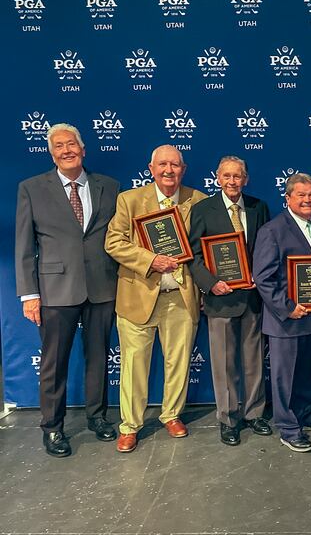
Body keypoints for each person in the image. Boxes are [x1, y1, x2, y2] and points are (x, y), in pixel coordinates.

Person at [15, 123, 120, 457]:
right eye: (58, 146)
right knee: (53, 362)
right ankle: (53, 428)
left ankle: (98, 417)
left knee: (99, 358)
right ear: (51, 152)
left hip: (102, 287)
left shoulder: (110, 186)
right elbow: (23, 246)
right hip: (55, 289)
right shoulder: (31, 188)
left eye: (71, 144)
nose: (66, 150)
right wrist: (29, 294)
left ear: (83, 148)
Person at [105, 145, 207, 453]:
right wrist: (151, 260)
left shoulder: (198, 201)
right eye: (162, 164)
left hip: (181, 296)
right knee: (135, 364)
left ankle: (171, 415)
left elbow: (207, 249)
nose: (168, 170)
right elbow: (113, 241)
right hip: (138, 297)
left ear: (183, 169)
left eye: (175, 165)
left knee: (178, 361)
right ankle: (130, 425)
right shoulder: (130, 200)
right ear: (151, 168)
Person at [188, 156, 271, 446]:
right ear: (217, 178)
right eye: (227, 176)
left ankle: (254, 413)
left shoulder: (259, 207)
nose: (232, 181)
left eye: (238, 176)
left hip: (253, 297)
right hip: (220, 298)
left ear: (245, 179)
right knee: (224, 363)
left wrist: (262, 278)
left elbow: (265, 249)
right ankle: (228, 418)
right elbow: (194, 255)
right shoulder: (202, 209)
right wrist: (211, 284)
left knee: (254, 360)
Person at [253, 173, 311, 453]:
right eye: (301, 195)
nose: (307, 200)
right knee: (284, 377)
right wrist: (288, 308)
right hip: (285, 321)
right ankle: (288, 428)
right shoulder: (273, 230)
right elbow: (263, 278)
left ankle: (305, 415)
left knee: (306, 372)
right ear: (287, 198)